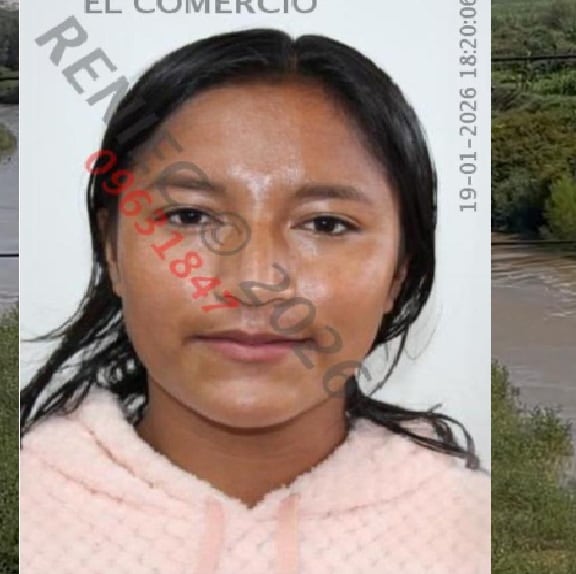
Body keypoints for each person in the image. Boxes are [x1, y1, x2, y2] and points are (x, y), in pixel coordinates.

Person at [19, 29, 489, 574]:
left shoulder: (472, 534)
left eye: (325, 223)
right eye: (190, 217)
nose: (255, 280)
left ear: (398, 273)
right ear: (113, 252)